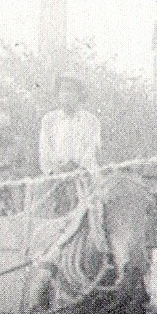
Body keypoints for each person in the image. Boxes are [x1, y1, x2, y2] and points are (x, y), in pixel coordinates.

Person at [37, 75, 101, 215]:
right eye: (63, 90)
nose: (67, 94)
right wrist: (56, 170)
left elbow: (92, 148)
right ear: (58, 94)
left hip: (83, 175)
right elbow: (45, 149)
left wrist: (79, 167)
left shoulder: (91, 120)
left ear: (79, 95)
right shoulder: (49, 120)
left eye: (72, 90)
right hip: (56, 176)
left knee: (92, 212)